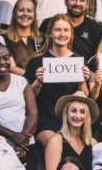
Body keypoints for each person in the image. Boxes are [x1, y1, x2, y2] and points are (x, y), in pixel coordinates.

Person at [24, 15, 92, 148]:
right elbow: (27, 98)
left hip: (70, 118)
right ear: (50, 33)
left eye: (66, 30)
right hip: (44, 118)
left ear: (71, 34)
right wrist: (38, 82)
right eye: (57, 30)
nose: (62, 34)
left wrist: (82, 82)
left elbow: (84, 97)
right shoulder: (37, 61)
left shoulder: (78, 61)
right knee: (54, 142)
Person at [44, 92, 98, 170]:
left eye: (82, 112)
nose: (78, 116)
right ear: (66, 113)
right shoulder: (56, 141)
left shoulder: (93, 143)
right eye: (73, 111)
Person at [38, 0, 102, 60]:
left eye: (82, 0)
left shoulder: (97, 29)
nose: (77, 3)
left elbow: (97, 60)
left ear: (87, 3)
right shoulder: (49, 24)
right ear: (66, 0)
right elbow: (39, 51)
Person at [2, 0, 42, 71]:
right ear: (14, 14)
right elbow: (11, 67)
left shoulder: (42, 39)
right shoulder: (3, 39)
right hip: (17, 81)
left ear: (34, 15)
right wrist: (32, 77)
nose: (25, 14)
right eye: (21, 10)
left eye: (29, 11)